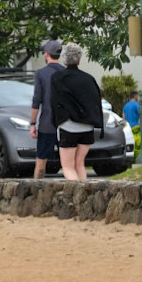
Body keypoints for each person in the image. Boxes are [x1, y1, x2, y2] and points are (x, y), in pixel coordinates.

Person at [50, 44, 104, 182]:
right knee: (80, 164)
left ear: (64, 60)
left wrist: (55, 122)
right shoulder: (89, 79)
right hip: (87, 127)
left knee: (67, 167)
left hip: (68, 126)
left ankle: (77, 197)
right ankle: (85, 195)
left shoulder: (57, 78)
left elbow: (54, 103)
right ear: (79, 60)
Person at [30, 39, 63, 180]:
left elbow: (37, 100)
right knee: (69, 162)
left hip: (47, 123)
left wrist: (32, 123)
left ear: (46, 54)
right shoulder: (66, 72)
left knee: (41, 160)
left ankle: (35, 191)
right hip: (65, 124)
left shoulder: (40, 74)